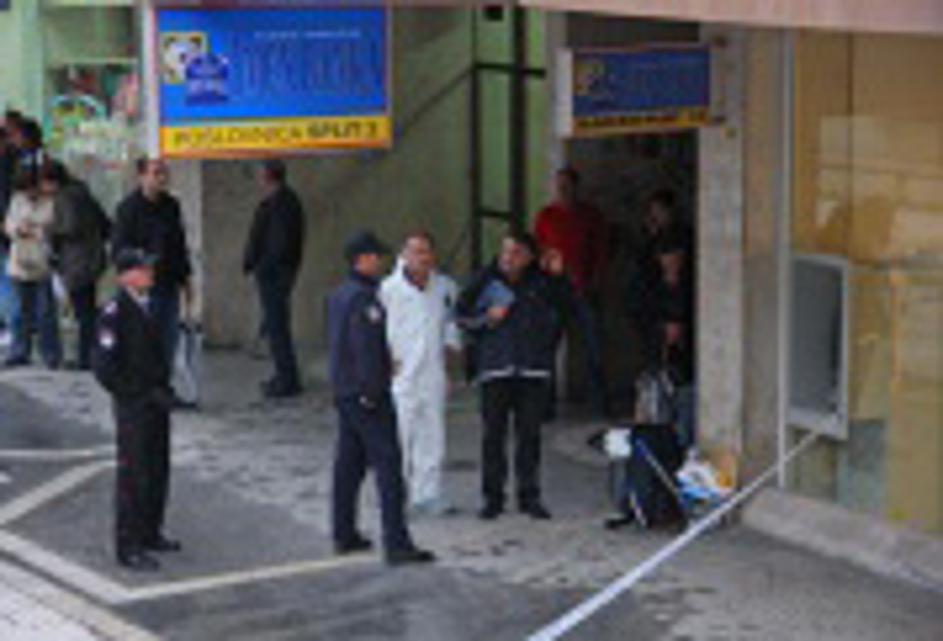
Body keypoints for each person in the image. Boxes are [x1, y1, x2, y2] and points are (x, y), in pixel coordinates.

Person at [327, 230, 436, 566]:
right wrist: (374, 390)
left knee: (349, 464)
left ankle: (344, 531)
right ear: (362, 259)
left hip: (344, 390)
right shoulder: (365, 299)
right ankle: (397, 541)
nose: (380, 262)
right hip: (365, 393)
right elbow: (365, 348)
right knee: (388, 465)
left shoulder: (339, 294)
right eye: (375, 256)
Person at [457, 231, 568, 521]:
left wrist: (559, 277)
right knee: (493, 436)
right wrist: (486, 320)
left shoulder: (542, 283)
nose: (508, 258)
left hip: (532, 369)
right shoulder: (484, 279)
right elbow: (461, 315)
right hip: (495, 369)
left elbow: (568, 309)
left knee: (529, 436)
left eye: (517, 252)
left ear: (530, 257)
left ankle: (529, 495)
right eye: (505, 251)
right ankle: (492, 497)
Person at [93, 248, 181, 572]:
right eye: (144, 269)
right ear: (126, 276)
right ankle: (128, 544)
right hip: (135, 405)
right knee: (134, 474)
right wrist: (135, 395)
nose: (150, 273)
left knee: (157, 468)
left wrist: (163, 392)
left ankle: (150, 531)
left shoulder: (148, 305)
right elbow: (104, 367)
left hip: (156, 400)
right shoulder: (115, 311)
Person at [379, 231, 461, 516]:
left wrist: (448, 363)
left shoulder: (444, 288)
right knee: (399, 436)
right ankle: (395, 495)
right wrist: (384, 361)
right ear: (404, 255)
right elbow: (378, 329)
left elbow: (451, 327)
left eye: (425, 251)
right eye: (414, 251)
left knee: (432, 435)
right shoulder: (388, 290)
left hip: (433, 373)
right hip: (401, 374)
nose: (421, 258)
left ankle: (427, 494)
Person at [534, 167, 610, 418]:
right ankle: (545, 406)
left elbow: (601, 251)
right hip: (554, 291)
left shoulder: (591, 215)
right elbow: (539, 251)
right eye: (559, 185)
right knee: (546, 348)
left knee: (594, 347)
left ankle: (598, 405)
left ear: (576, 187)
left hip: (584, 289)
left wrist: (595, 281)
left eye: (567, 184)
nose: (563, 189)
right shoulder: (546, 215)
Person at [112, 158, 192, 367]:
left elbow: (179, 244)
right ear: (142, 177)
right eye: (156, 173)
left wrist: (186, 281)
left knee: (168, 341)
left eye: (164, 173)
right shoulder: (128, 209)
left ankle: (163, 381)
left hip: (168, 282)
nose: (162, 178)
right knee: (143, 344)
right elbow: (118, 250)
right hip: (141, 287)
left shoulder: (171, 206)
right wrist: (137, 262)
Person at [242, 159, 305, 398]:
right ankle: (284, 375)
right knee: (275, 326)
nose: (258, 179)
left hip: (276, 275)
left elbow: (279, 244)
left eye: (261, 174)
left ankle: (287, 380)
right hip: (274, 273)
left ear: (268, 176)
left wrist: (262, 267)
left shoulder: (284, 203)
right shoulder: (277, 201)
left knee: (277, 327)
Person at [42, 162, 110, 370]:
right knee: (87, 308)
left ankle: (86, 357)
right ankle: (91, 354)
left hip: (76, 260)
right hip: (93, 257)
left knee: (83, 312)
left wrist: (50, 230)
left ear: (51, 181)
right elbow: (106, 224)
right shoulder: (83, 193)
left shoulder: (64, 197)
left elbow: (70, 226)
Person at [3, 172, 62, 368]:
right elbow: (9, 225)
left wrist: (35, 229)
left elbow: (52, 227)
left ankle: (50, 354)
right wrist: (18, 229)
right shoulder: (16, 201)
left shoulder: (50, 202)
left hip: (41, 262)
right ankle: (19, 350)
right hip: (18, 263)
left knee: (45, 312)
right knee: (19, 312)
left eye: (32, 188)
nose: (29, 193)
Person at [629, 189, 691, 370]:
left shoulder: (677, 236)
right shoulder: (655, 236)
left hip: (669, 306)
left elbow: (674, 279)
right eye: (653, 211)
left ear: (670, 211)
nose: (656, 216)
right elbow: (641, 263)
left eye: (660, 211)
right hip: (651, 304)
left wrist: (674, 317)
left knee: (671, 354)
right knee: (655, 352)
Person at [655, 244, 696, 450]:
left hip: (685, 354)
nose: (670, 263)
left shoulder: (690, 285)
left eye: (674, 258)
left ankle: (682, 439)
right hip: (661, 351)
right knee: (663, 396)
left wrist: (680, 328)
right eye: (666, 258)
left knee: (685, 395)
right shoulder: (655, 285)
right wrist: (664, 328)